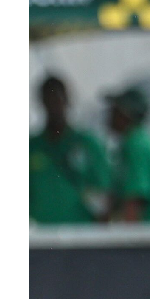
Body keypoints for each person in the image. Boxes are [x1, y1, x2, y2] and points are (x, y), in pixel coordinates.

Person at [30, 74, 111, 224]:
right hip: (41, 233)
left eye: (58, 100)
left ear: (67, 101)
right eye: (49, 100)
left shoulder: (87, 144)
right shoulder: (32, 147)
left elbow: (104, 192)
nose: (54, 107)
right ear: (41, 102)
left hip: (80, 232)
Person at [104, 87, 150, 223]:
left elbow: (134, 198)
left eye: (115, 109)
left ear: (126, 113)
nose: (110, 113)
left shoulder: (134, 144)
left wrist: (131, 235)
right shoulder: (147, 140)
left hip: (148, 230)